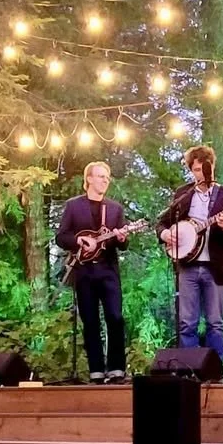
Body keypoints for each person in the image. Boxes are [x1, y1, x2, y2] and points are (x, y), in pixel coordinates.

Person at [157, 145, 223, 361]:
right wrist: (166, 234)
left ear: (213, 166)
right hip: (187, 267)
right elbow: (162, 223)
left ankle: (217, 370)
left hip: (216, 267)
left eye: (205, 168)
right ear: (191, 170)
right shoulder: (183, 194)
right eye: (196, 170)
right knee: (187, 322)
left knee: (215, 321)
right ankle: (189, 369)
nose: (202, 173)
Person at [55, 161, 130, 383]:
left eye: (107, 177)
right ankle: (96, 369)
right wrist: (79, 239)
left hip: (108, 270)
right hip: (84, 272)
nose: (105, 180)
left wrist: (122, 238)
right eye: (100, 176)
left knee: (115, 318)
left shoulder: (115, 209)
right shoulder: (73, 206)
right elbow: (61, 237)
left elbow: (122, 245)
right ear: (89, 179)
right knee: (90, 321)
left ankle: (117, 368)